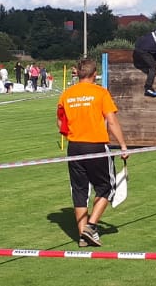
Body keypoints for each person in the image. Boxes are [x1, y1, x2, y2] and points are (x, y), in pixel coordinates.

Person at [56, 58, 130, 247]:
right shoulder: (100, 93)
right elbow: (111, 121)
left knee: (79, 190)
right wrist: (123, 145)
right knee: (107, 187)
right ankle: (90, 227)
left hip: (74, 147)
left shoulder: (66, 94)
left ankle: (83, 237)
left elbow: (60, 123)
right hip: (96, 146)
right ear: (94, 74)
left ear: (78, 73)